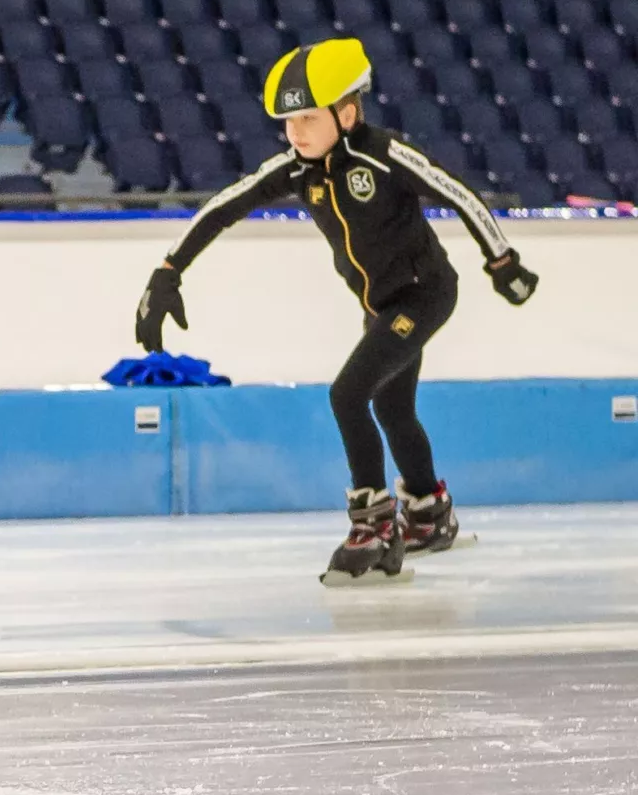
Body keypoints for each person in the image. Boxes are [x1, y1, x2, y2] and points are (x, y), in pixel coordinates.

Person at [134, 38, 539, 584]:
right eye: (288, 121)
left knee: (348, 394)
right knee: (393, 408)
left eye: (307, 117)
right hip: (381, 305)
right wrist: (167, 271)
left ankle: (375, 528)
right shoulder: (296, 170)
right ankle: (428, 513)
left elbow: (459, 193)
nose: (295, 132)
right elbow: (224, 206)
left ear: (346, 114)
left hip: (425, 294)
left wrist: (502, 260)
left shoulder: (385, 154)